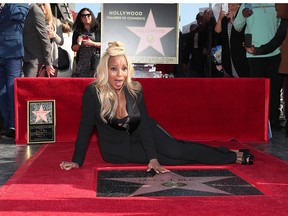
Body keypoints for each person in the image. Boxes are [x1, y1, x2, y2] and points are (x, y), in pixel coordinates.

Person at [60, 41, 254, 173]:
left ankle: (230, 156)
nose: (119, 74)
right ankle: (222, 153)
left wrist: (151, 157)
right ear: (105, 69)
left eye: (124, 68)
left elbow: (143, 124)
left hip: (142, 131)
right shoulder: (93, 92)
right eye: (114, 69)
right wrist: (77, 160)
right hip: (118, 150)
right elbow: (86, 127)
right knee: (175, 161)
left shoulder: (134, 89)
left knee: (177, 151)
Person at [233, 3, 282, 130]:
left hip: (275, 52)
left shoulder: (276, 3)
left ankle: (274, 122)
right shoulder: (246, 3)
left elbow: (280, 24)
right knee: (257, 92)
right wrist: (243, 16)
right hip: (254, 54)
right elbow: (237, 27)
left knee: (274, 90)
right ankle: (258, 123)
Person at [245, 3, 288, 136]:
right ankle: (264, 122)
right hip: (270, 58)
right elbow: (276, 40)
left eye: (277, 7)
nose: (275, 10)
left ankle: (274, 120)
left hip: (276, 58)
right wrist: (257, 50)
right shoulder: (284, 22)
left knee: (276, 90)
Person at [0, 3, 29, 140]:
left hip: (13, 52)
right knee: (1, 92)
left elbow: (19, 15)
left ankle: (14, 125)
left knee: (12, 89)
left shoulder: (21, 3)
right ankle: (7, 126)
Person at [214, 3, 250, 77]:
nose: (230, 3)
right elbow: (217, 32)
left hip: (241, 54)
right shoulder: (225, 18)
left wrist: (233, 19)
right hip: (228, 55)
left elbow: (242, 31)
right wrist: (220, 19)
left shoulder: (243, 14)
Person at [23, 3, 55, 77]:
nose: (42, 8)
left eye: (44, 5)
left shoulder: (35, 10)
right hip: (25, 57)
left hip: (34, 60)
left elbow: (44, 39)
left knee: (29, 86)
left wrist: (48, 62)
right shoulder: (28, 9)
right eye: (40, 5)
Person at [71, 7, 101, 77]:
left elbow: (104, 44)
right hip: (82, 64)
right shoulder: (77, 31)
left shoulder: (98, 29)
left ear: (91, 16)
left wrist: (92, 43)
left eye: (88, 15)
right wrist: (78, 43)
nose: (86, 17)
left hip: (96, 62)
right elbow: (73, 48)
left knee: (95, 84)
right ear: (80, 18)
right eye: (83, 16)